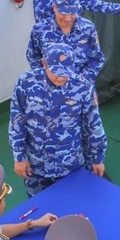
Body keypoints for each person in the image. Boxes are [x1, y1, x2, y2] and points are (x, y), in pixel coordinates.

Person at [9, 43, 107, 196]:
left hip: (69, 165)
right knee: (39, 205)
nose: (61, 77)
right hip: (36, 166)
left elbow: (93, 125)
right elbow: (17, 121)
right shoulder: (26, 83)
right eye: (56, 72)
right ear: (44, 63)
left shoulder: (83, 86)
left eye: (65, 73)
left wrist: (97, 158)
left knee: (72, 203)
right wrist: (19, 156)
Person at [26, 0, 105, 89]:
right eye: (63, 13)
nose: (68, 18)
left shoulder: (88, 28)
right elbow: (33, 56)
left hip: (81, 88)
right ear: (54, 7)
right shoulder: (39, 30)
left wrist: (81, 80)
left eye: (72, 13)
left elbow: (97, 58)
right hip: (51, 89)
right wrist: (47, 78)